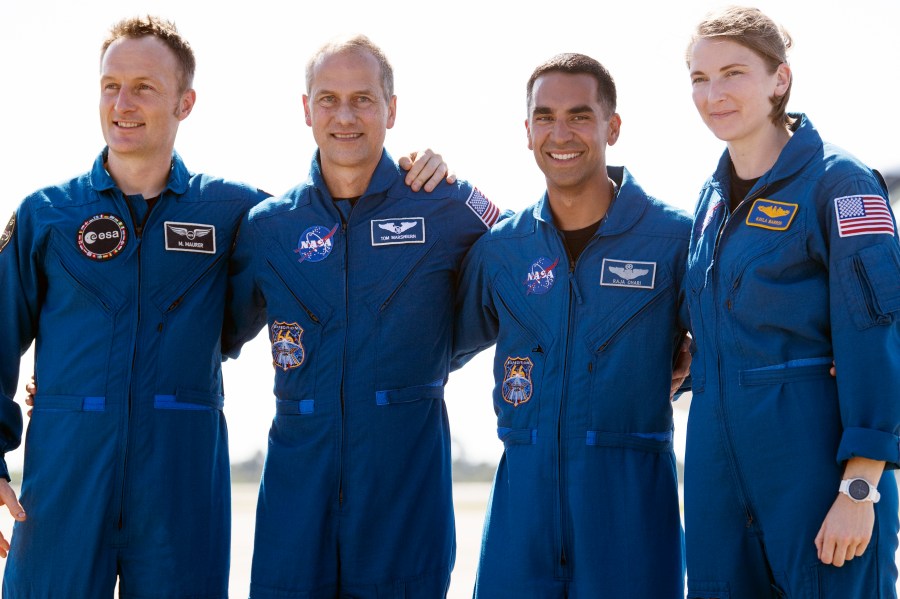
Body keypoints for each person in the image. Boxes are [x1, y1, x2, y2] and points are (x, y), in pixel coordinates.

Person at [0, 17, 449, 598]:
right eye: (111, 85)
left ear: (185, 102)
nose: (123, 102)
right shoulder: (47, 215)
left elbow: (335, 229)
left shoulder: (237, 213)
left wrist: (407, 172)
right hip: (64, 475)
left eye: (145, 87)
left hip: (181, 479)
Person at [222, 34, 503, 598]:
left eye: (363, 99)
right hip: (295, 501)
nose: (344, 115)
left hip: (405, 496)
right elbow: (202, 334)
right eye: (328, 99)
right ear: (305, 110)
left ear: (391, 109)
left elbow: (540, 260)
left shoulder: (444, 205)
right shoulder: (268, 227)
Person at [451, 53, 690, 598]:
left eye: (580, 115)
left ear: (613, 126)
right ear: (528, 129)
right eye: (545, 116)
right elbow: (431, 351)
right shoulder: (502, 251)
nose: (561, 133)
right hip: (521, 511)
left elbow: (725, 352)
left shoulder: (673, 242)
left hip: (630, 511)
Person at [683, 6, 900, 598]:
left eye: (733, 73)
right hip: (714, 473)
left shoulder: (841, 183)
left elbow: (875, 333)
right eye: (699, 78)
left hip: (811, 466)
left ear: (780, 79)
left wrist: (861, 487)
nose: (713, 94)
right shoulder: (709, 202)